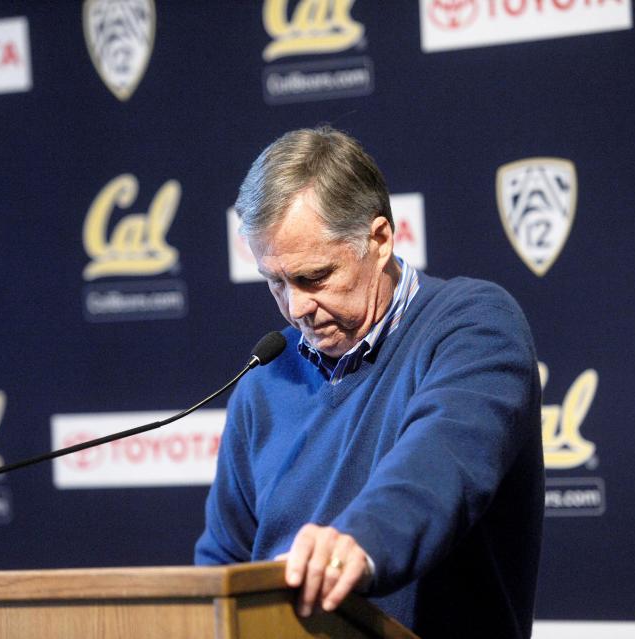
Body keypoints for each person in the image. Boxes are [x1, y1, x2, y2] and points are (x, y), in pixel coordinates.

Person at [195, 126, 544, 638]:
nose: (296, 309)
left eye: (314, 277)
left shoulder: (475, 325)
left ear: (380, 240)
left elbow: (440, 463)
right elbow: (223, 562)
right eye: (276, 282)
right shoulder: (264, 378)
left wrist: (358, 541)